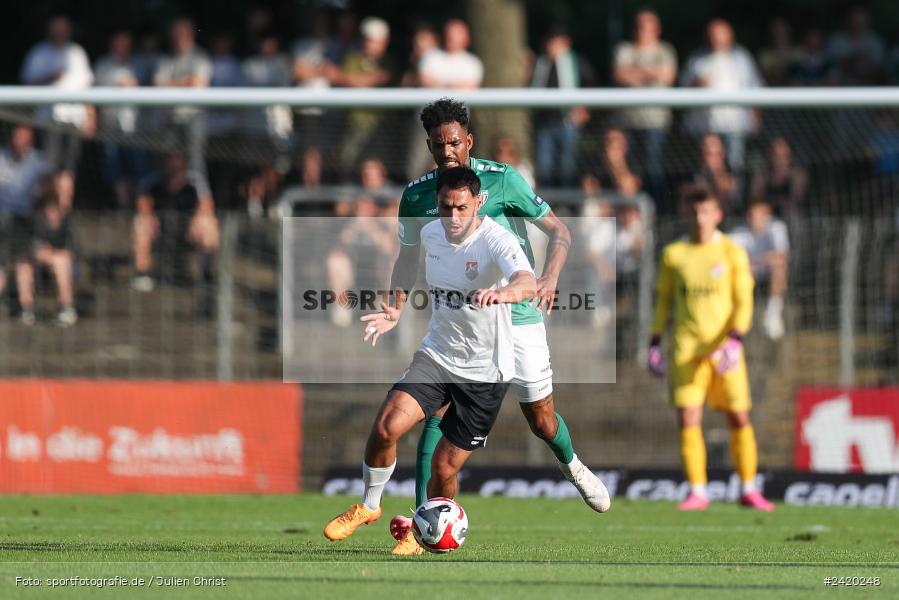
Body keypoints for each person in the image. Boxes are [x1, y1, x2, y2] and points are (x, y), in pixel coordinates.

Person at [386, 98, 611, 556]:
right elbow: (407, 259)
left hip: (518, 318)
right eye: (437, 145)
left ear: (468, 141)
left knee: (542, 421)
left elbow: (560, 231)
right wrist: (394, 306)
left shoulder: (503, 178)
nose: (447, 152)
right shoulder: (416, 196)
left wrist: (548, 277)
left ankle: (571, 465)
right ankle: (422, 523)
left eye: (454, 142)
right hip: (461, 326)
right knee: (435, 412)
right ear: (429, 147)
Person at [323, 166, 538, 546]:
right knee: (386, 426)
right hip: (438, 356)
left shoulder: (497, 240)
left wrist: (505, 294)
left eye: (461, 208)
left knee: (443, 468)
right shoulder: (430, 232)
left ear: (479, 202)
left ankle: (426, 534)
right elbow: (406, 264)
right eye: (444, 207)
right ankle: (370, 504)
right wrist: (394, 309)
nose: (452, 217)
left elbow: (526, 279)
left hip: (486, 373)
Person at [648, 184, 775, 512]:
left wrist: (736, 339)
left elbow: (743, 301)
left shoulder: (732, 252)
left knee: (738, 416)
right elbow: (664, 301)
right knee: (689, 417)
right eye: (694, 211)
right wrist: (655, 340)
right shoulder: (674, 254)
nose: (699, 218)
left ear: (717, 214)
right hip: (686, 350)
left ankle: (748, 487)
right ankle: (697, 491)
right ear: (685, 213)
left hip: (724, 350)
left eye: (706, 211)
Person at [681, 19, 763, 174]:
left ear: (729, 35)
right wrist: (698, 84)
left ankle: (733, 199)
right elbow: (683, 88)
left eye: (719, 34)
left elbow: (755, 89)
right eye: (712, 35)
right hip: (705, 128)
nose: (715, 39)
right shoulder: (697, 58)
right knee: (704, 170)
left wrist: (756, 118)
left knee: (734, 168)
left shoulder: (742, 58)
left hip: (735, 126)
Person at [131, 151, 218, 293]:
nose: (174, 163)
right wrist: (150, 216)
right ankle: (143, 274)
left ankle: (206, 274)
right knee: (142, 223)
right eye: (170, 158)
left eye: (178, 158)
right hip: (160, 229)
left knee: (208, 223)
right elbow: (143, 204)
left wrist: (196, 219)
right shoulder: (152, 180)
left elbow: (207, 206)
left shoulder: (195, 181)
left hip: (187, 230)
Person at [612, 9, 676, 198]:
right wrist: (652, 73)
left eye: (648, 27)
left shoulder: (666, 50)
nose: (643, 31)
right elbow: (620, 75)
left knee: (654, 169)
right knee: (629, 172)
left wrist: (636, 71)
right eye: (640, 27)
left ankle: (656, 212)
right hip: (627, 123)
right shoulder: (624, 49)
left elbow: (667, 76)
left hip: (656, 123)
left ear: (657, 30)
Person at [20, 14, 95, 173]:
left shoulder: (77, 53)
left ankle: (63, 198)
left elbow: (87, 89)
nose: (60, 33)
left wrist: (90, 116)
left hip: (74, 120)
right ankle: (49, 198)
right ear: (50, 31)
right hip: (48, 120)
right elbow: (26, 85)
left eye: (64, 29)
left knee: (70, 167)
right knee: (48, 166)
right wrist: (49, 78)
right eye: (57, 30)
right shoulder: (38, 53)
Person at [531, 25, 596, 188]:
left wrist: (584, 109)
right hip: (545, 123)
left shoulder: (576, 63)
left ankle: (567, 205)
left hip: (567, 122)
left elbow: (591, 84)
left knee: (567, 165)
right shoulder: (540, 64)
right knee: (544, 166)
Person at [94, 29, 150, 209]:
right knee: (116, 173)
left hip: (136, 130)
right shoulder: (103, 65)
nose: (122, 47)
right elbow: (93, 96)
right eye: (119, 43)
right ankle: (123, 208)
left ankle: (139, 210)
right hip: (110, 129)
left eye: (126, 43)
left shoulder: (140, 64)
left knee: (140, 171)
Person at [0, 126, 49, 326]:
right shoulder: (1, 157)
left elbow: (46, 190)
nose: (21, 141)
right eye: (18, 136)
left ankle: (26, 306)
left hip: (25, 220)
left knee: (24, 260)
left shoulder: (37, 162)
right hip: (1, 219)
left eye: (26, 137)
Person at [153, 17, 213, 178]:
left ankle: (200, 198)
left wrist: (171, 84)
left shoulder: (201, 57)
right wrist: (185, 82)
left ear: (190, 34)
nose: (179, 37)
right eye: (176, 33)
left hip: (194, 117)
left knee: (195, 163)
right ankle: (173, 200)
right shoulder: (166, 59)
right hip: (170, 118)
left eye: (182, 33)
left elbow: (198, 84)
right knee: (169, 163)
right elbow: (158, 85)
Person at [729, 197, 789, 340]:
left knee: (779, 267)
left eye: (760, 214)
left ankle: (772, 314)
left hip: (768, 273)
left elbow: (781, 256)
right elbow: (727, 260)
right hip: (748, 274)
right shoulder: (738, 233)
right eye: (752, 214)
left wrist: (755, 262)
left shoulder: (776, 228)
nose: (755, 218)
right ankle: (742, 317)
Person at [418, 19, 483, 89]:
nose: (452, 37)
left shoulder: (472, 62)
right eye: (450, 33)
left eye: (457, 34)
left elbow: (470, 86)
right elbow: (425, 81)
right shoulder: (430, 57)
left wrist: (442, 85)